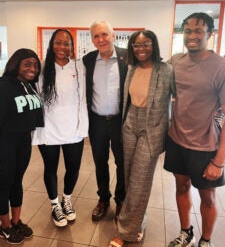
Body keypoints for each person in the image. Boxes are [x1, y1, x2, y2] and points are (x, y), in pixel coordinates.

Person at [108, 30, 175, 247]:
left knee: (139, 179)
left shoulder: (166, 70)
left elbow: (180, 98)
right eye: (136, 45)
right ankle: (139, 220)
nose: (141, 49)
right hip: (130, 124)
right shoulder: (131, 68)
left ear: (153, 45)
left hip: (152, 128)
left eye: (145, 44)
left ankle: (126, 231)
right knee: (129, 177)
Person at [164, 12, 225, 247]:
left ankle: (206, 240)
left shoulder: (220, 66)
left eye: (199, 30)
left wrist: (219, 160)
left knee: (207, 197)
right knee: (181, 187)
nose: (192, 35)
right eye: (188, 30)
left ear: (209, 34)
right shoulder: (176, 61)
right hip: (177, 140)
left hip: (205, 146)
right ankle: (185, 232)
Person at [32, 29, 88, 227]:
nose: (62, 47)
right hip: (49, 128)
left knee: (73, 168)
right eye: (58, 42)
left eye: (66, 43)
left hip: (74, 128)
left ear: (72, 46)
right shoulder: (41, 66)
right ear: (51, 44)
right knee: (51, 168)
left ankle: (66, 199)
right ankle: (55, 205)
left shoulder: (79, 66)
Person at [83, 21, 127, 221]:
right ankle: (103, 199)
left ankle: (121, 201)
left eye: (104, 35)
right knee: (100, 162)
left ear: (113, 35)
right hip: (97, 122)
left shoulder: (128, 57)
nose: (100, 39)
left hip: (121, 122)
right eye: (96, 36)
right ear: (92, 39)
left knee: (122, 163)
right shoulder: (88, 60)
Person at [0, 48, 43, 245]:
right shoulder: (3, 86)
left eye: (35, 65)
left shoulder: (29, 86)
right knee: (4, 184)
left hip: (24, 141)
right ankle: (5, 227)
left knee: (17, 181)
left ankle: (16, 222)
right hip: (5, 141)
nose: (32, 68)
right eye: (27, 64)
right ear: (15, 64)